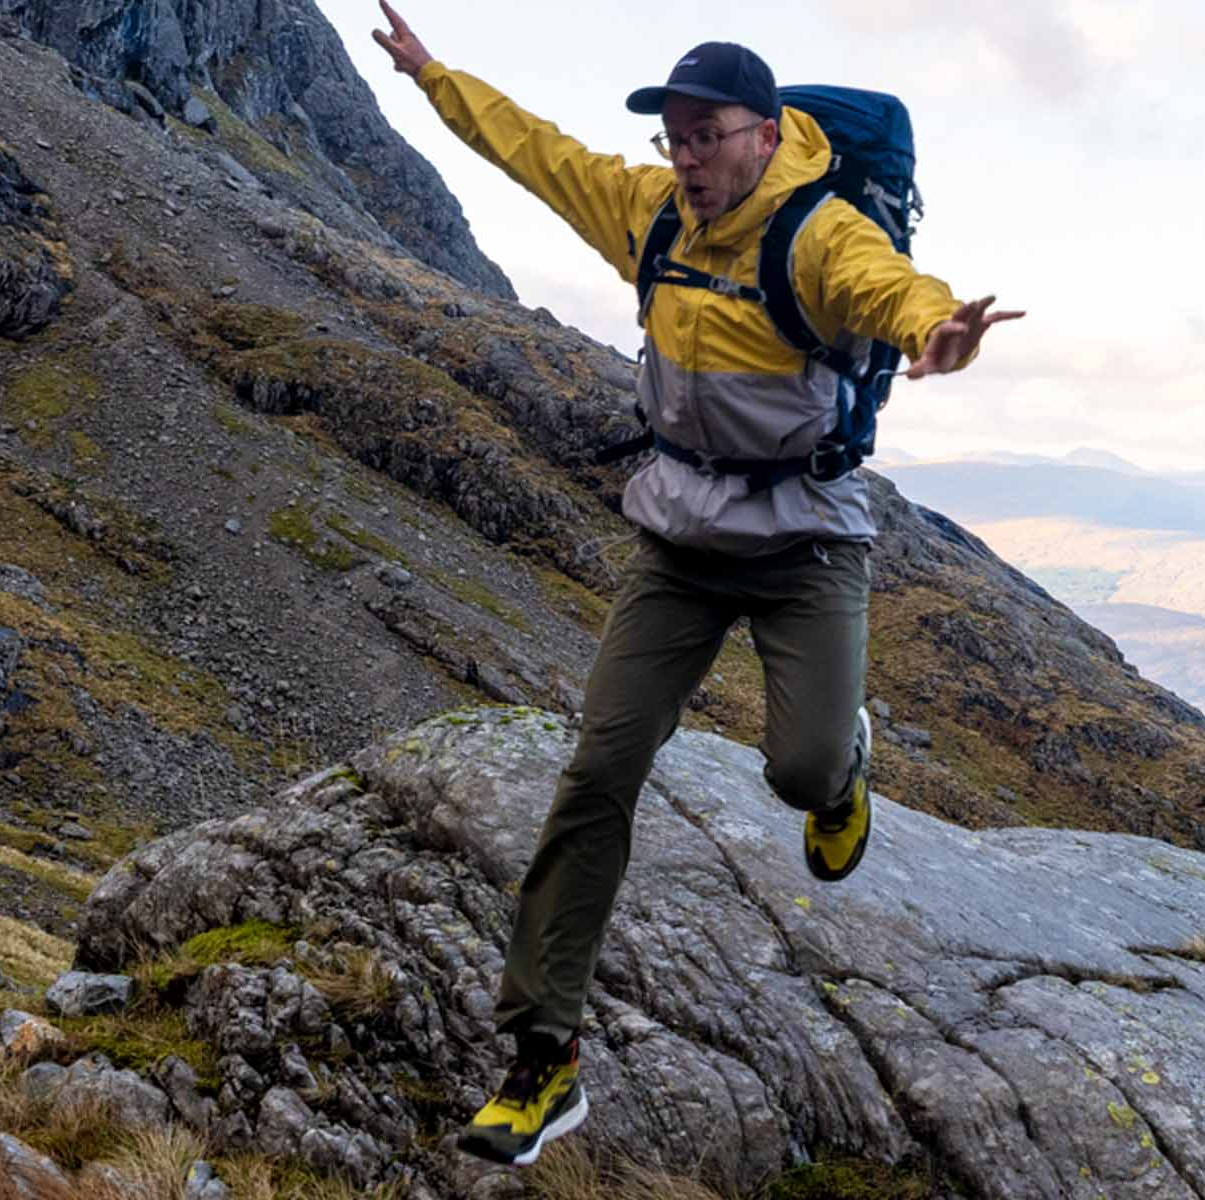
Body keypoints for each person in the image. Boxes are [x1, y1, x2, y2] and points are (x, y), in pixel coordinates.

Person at [366, 3, 1023, 1167]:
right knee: (596, 772)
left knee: (802, 768)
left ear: (767, 135)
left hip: (804, 544)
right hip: (677, 545)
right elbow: (537, 154)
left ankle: (842, 766)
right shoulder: (652, 215)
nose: (687, 155)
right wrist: (434, 76)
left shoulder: (816, 239)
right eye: (674, 134)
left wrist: (938, 332)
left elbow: (889, 289)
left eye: (707, 134)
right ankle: (542, 1060)